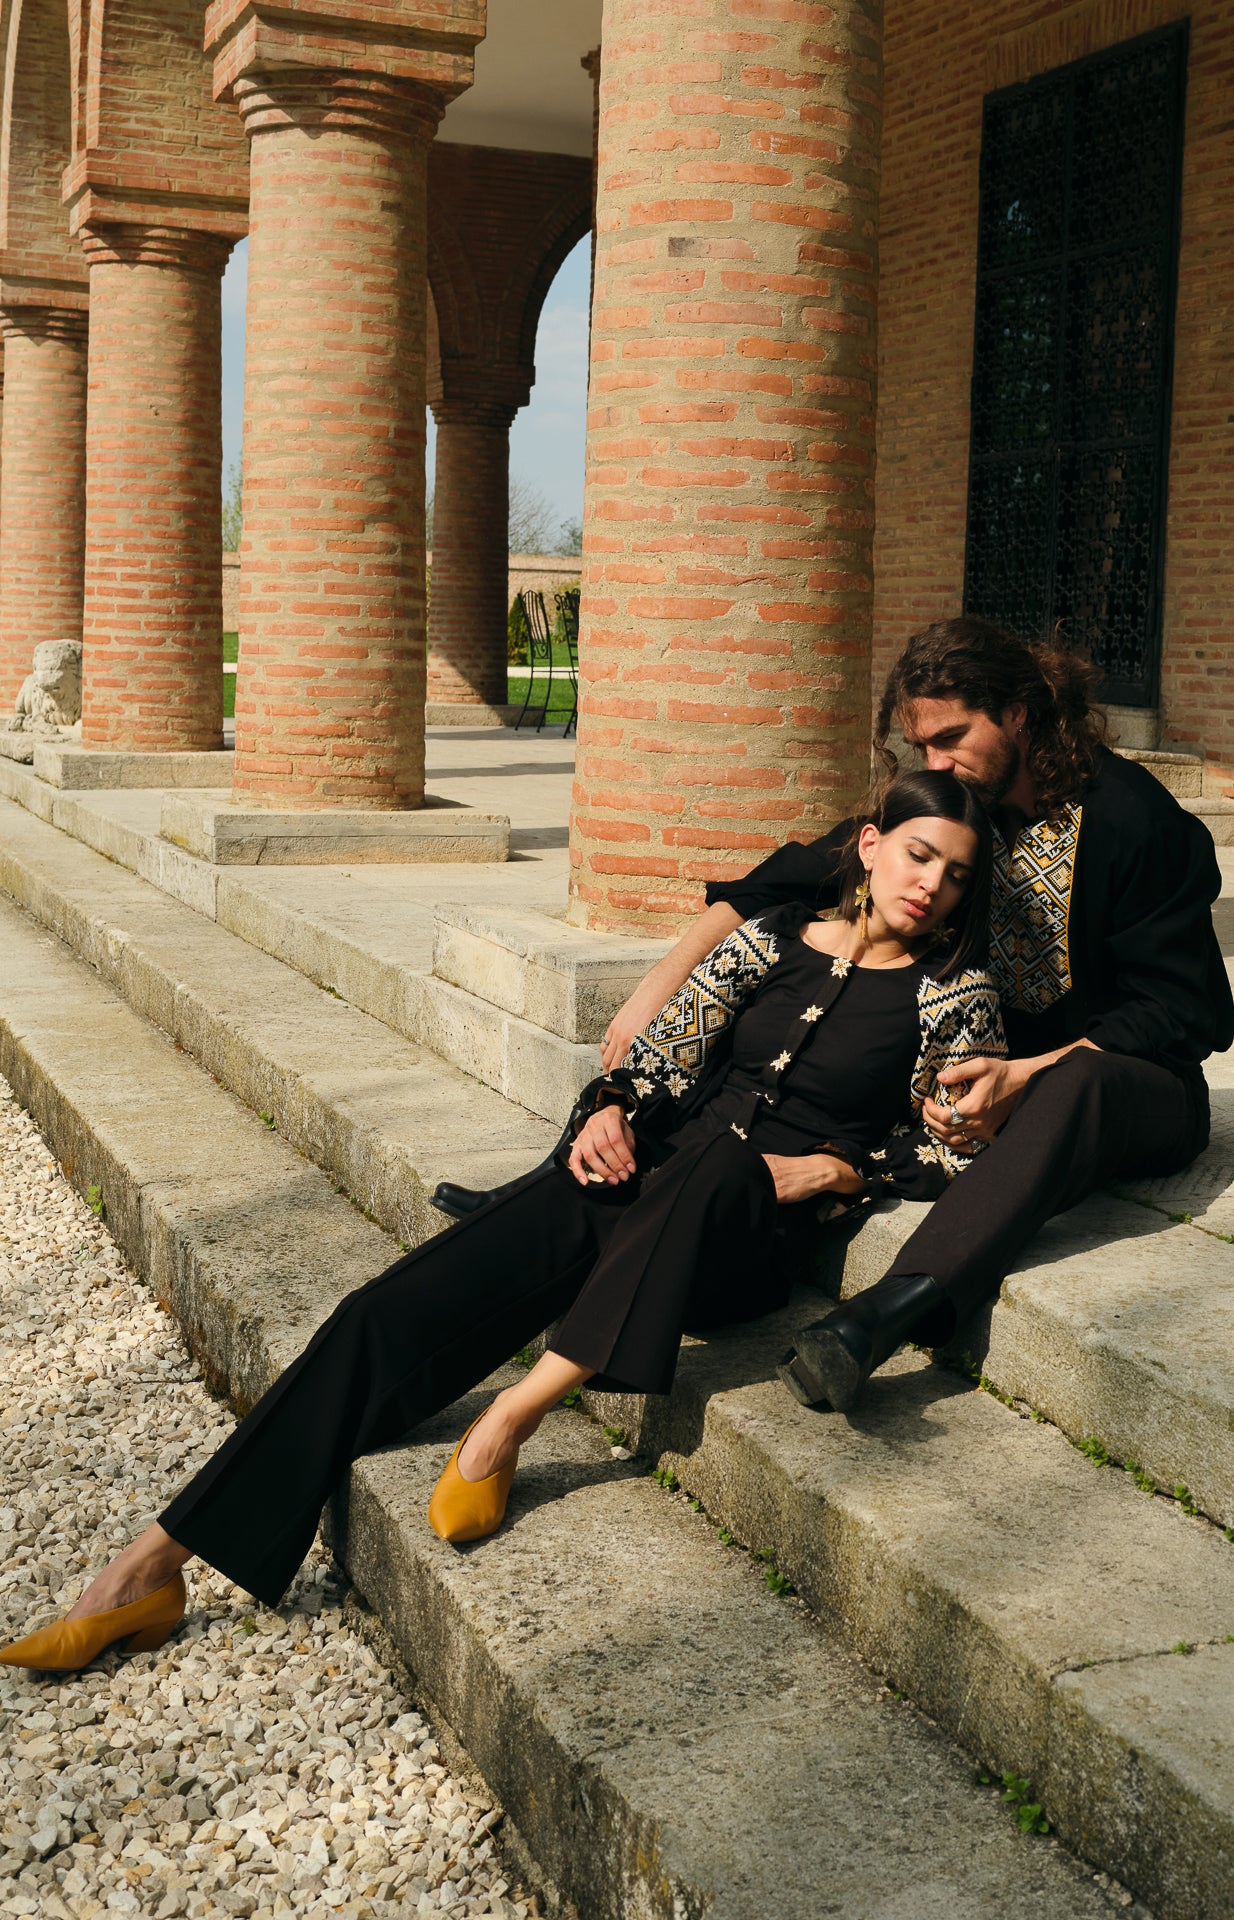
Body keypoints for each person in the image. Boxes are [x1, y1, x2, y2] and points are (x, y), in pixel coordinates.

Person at [1, 772, 1004, 1673]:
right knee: (384, 1312)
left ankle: (511, 1416)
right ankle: (147, 1569)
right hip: (642, 1187)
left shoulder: (953, 997)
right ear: (870, 846)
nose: (932, 886)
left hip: (743, 1246)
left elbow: (956, 1147)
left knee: (721, 1163)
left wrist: (844, 1166)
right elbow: (660, 1059)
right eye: (918, 855)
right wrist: (609, 1109)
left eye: (956, 875)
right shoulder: (770, 938)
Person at [602, 615, 1234, 1415]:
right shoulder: (958, 807)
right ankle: (580, 1204)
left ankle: (880, 1317)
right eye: (921, 745)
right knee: (784, 989)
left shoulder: (1134, 818)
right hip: (972, 1084)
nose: (936, 762)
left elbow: (1189, 1012)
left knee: (1080, 1082)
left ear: (1018, 714)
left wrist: (1026, 1074)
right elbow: (787, 878)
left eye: (951, 738)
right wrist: (659, 983)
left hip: (1125, 1086)